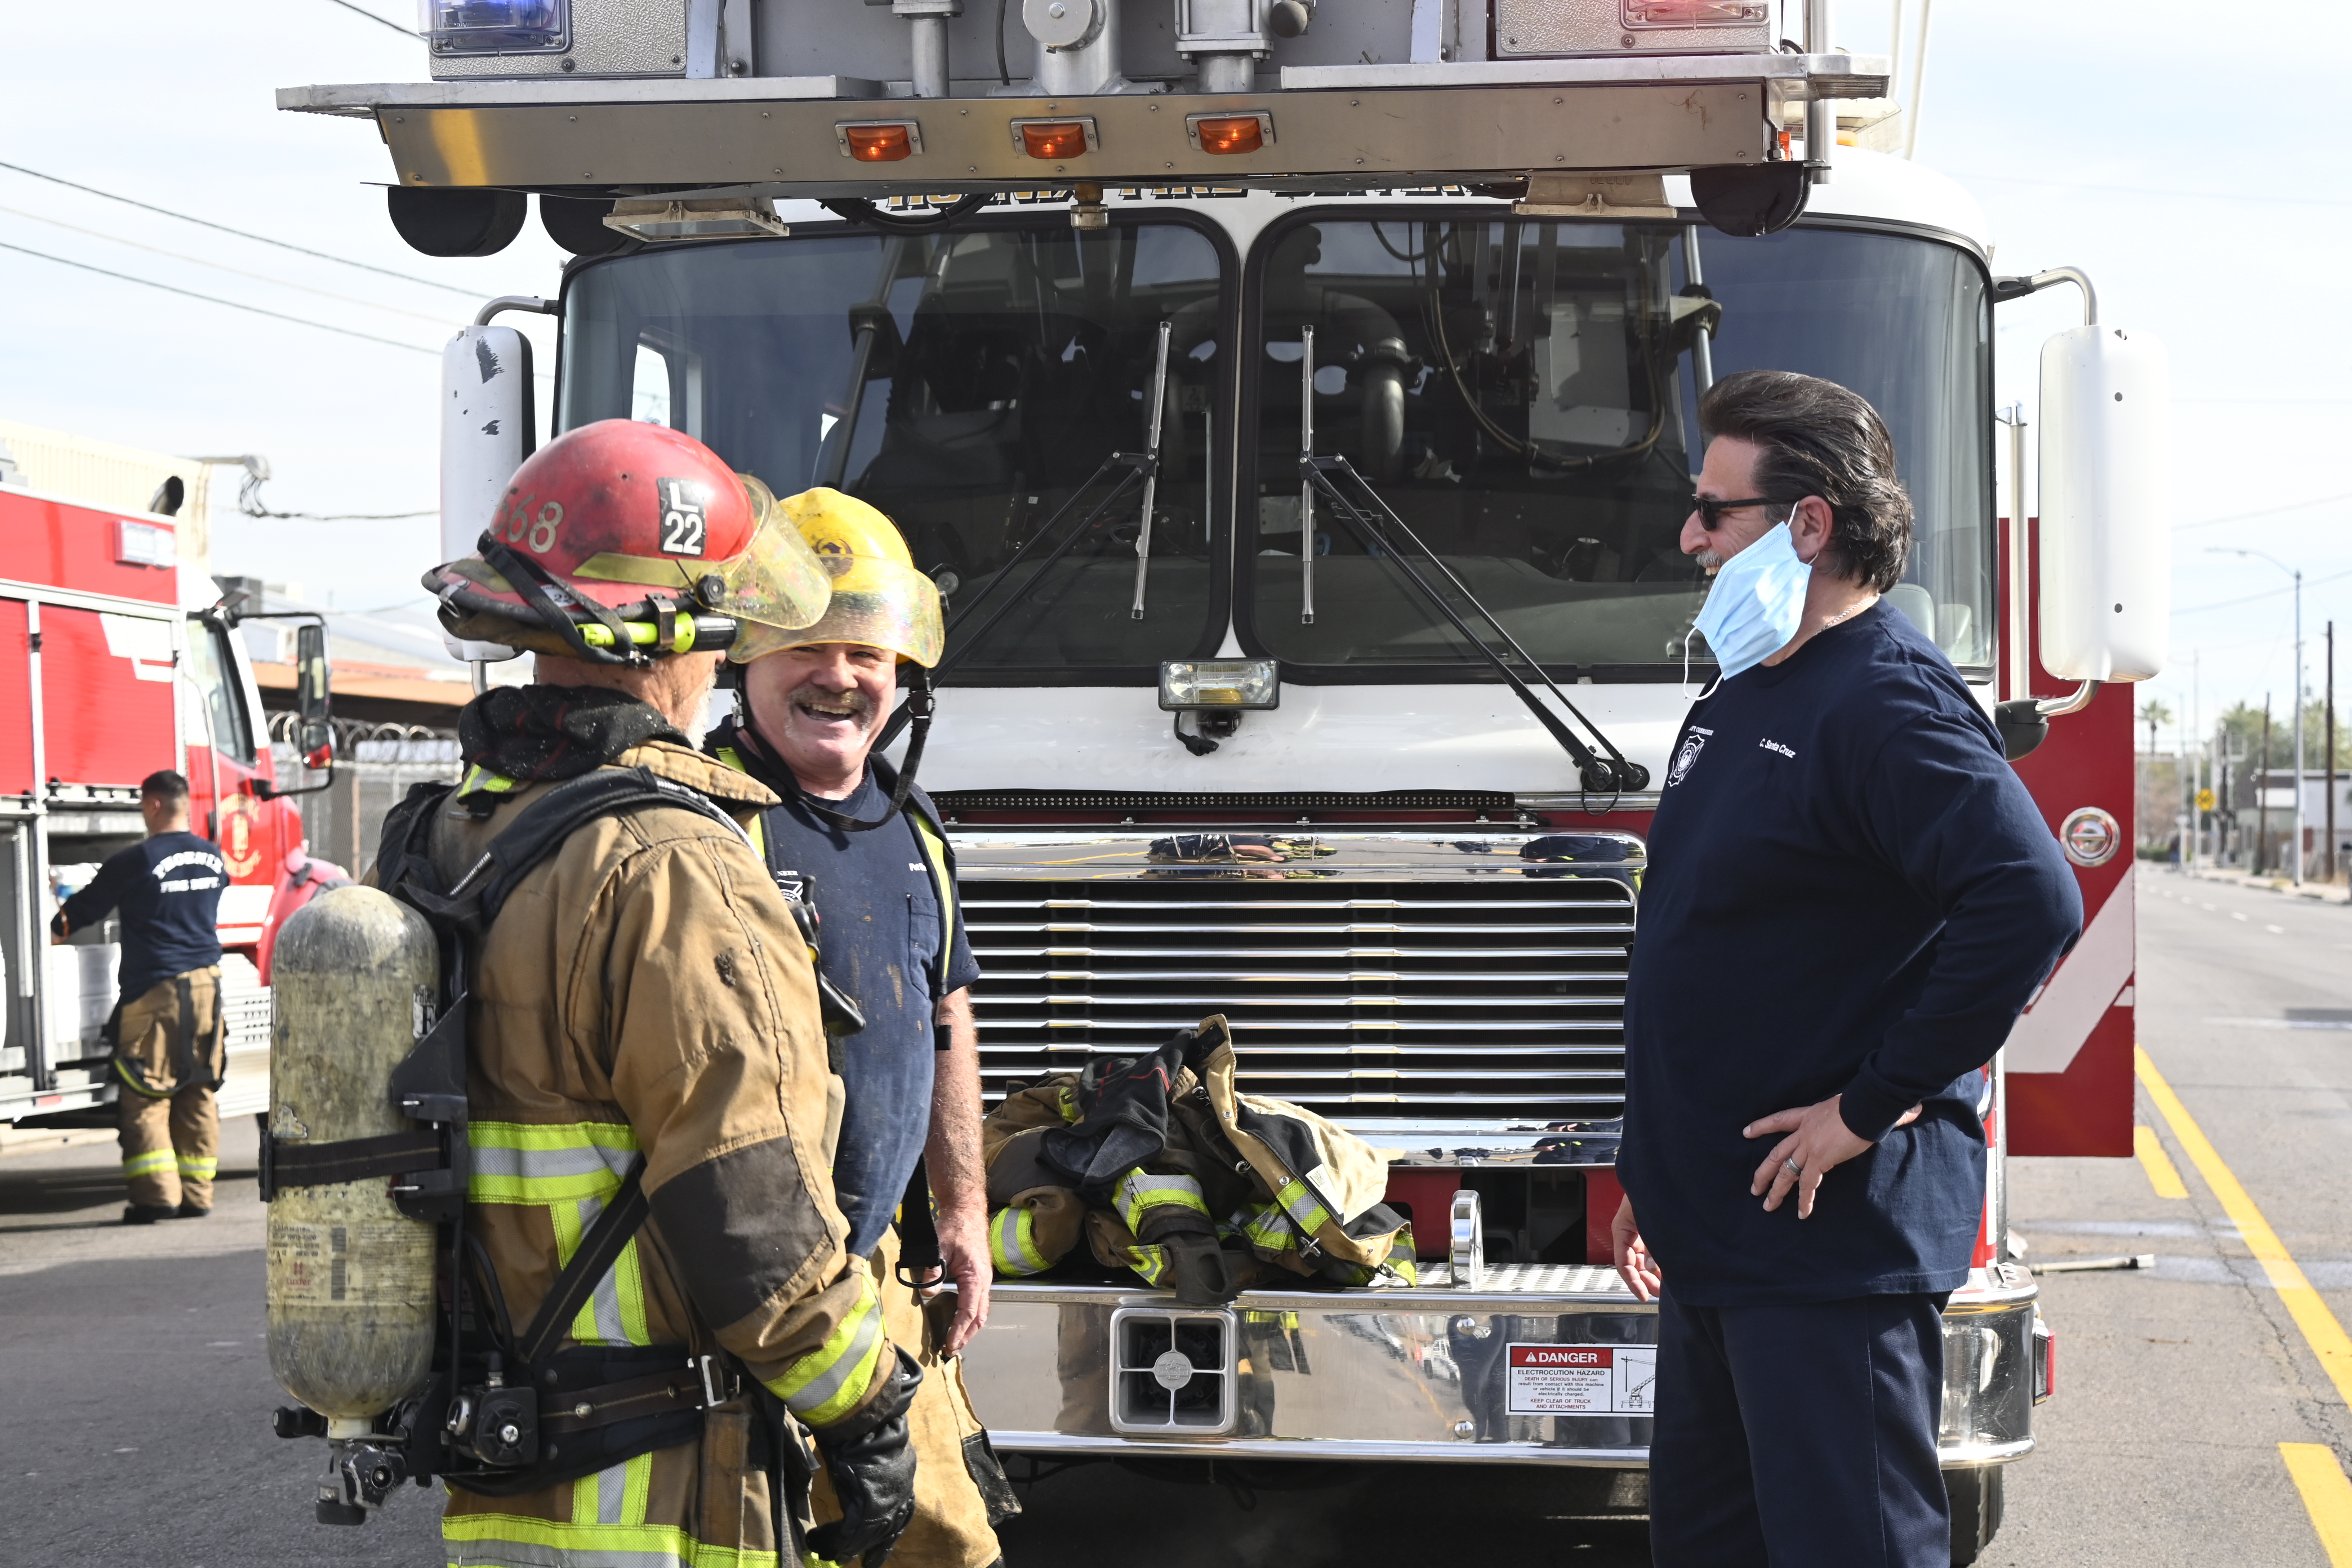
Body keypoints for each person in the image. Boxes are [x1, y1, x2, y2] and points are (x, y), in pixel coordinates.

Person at [414, 419, 921, 1568]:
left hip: (503, 1475)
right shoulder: (671, 864)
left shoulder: (447, 835)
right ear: (679, 629)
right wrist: (866, 1404)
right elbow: (748, 1206)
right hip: (661, 1484)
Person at [1610, 370, 2082, 1567]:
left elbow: (2029, 899)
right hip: (1722, 1238)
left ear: (1808, 524)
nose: (1690, 536)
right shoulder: (1742, 691)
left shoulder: (1886, 700)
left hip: (1826, 1248)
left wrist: (1868, 1106)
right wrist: (1654, 1177)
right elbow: (1720, 946)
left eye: (1714, 510)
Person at [707, 485, 1010, 1568]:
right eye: (803, 641)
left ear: (903, 673)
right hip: (744, 1288)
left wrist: (961, 1209)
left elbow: (945, 1014)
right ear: (743, 656)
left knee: (943, 1543)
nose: (838, 672)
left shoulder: (912, 825)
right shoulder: (704, 825)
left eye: (866, 650)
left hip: (877, 1270)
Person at [52, 770, 229, 1224]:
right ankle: (197, 1195)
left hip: (156, 992)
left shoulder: (134, 861)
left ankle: (156, 1198)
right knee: (198, 1089)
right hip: (208, 988)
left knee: (145, 1094)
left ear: (153, 805)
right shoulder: (212, 856)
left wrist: (49, 926)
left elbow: (77, 915)